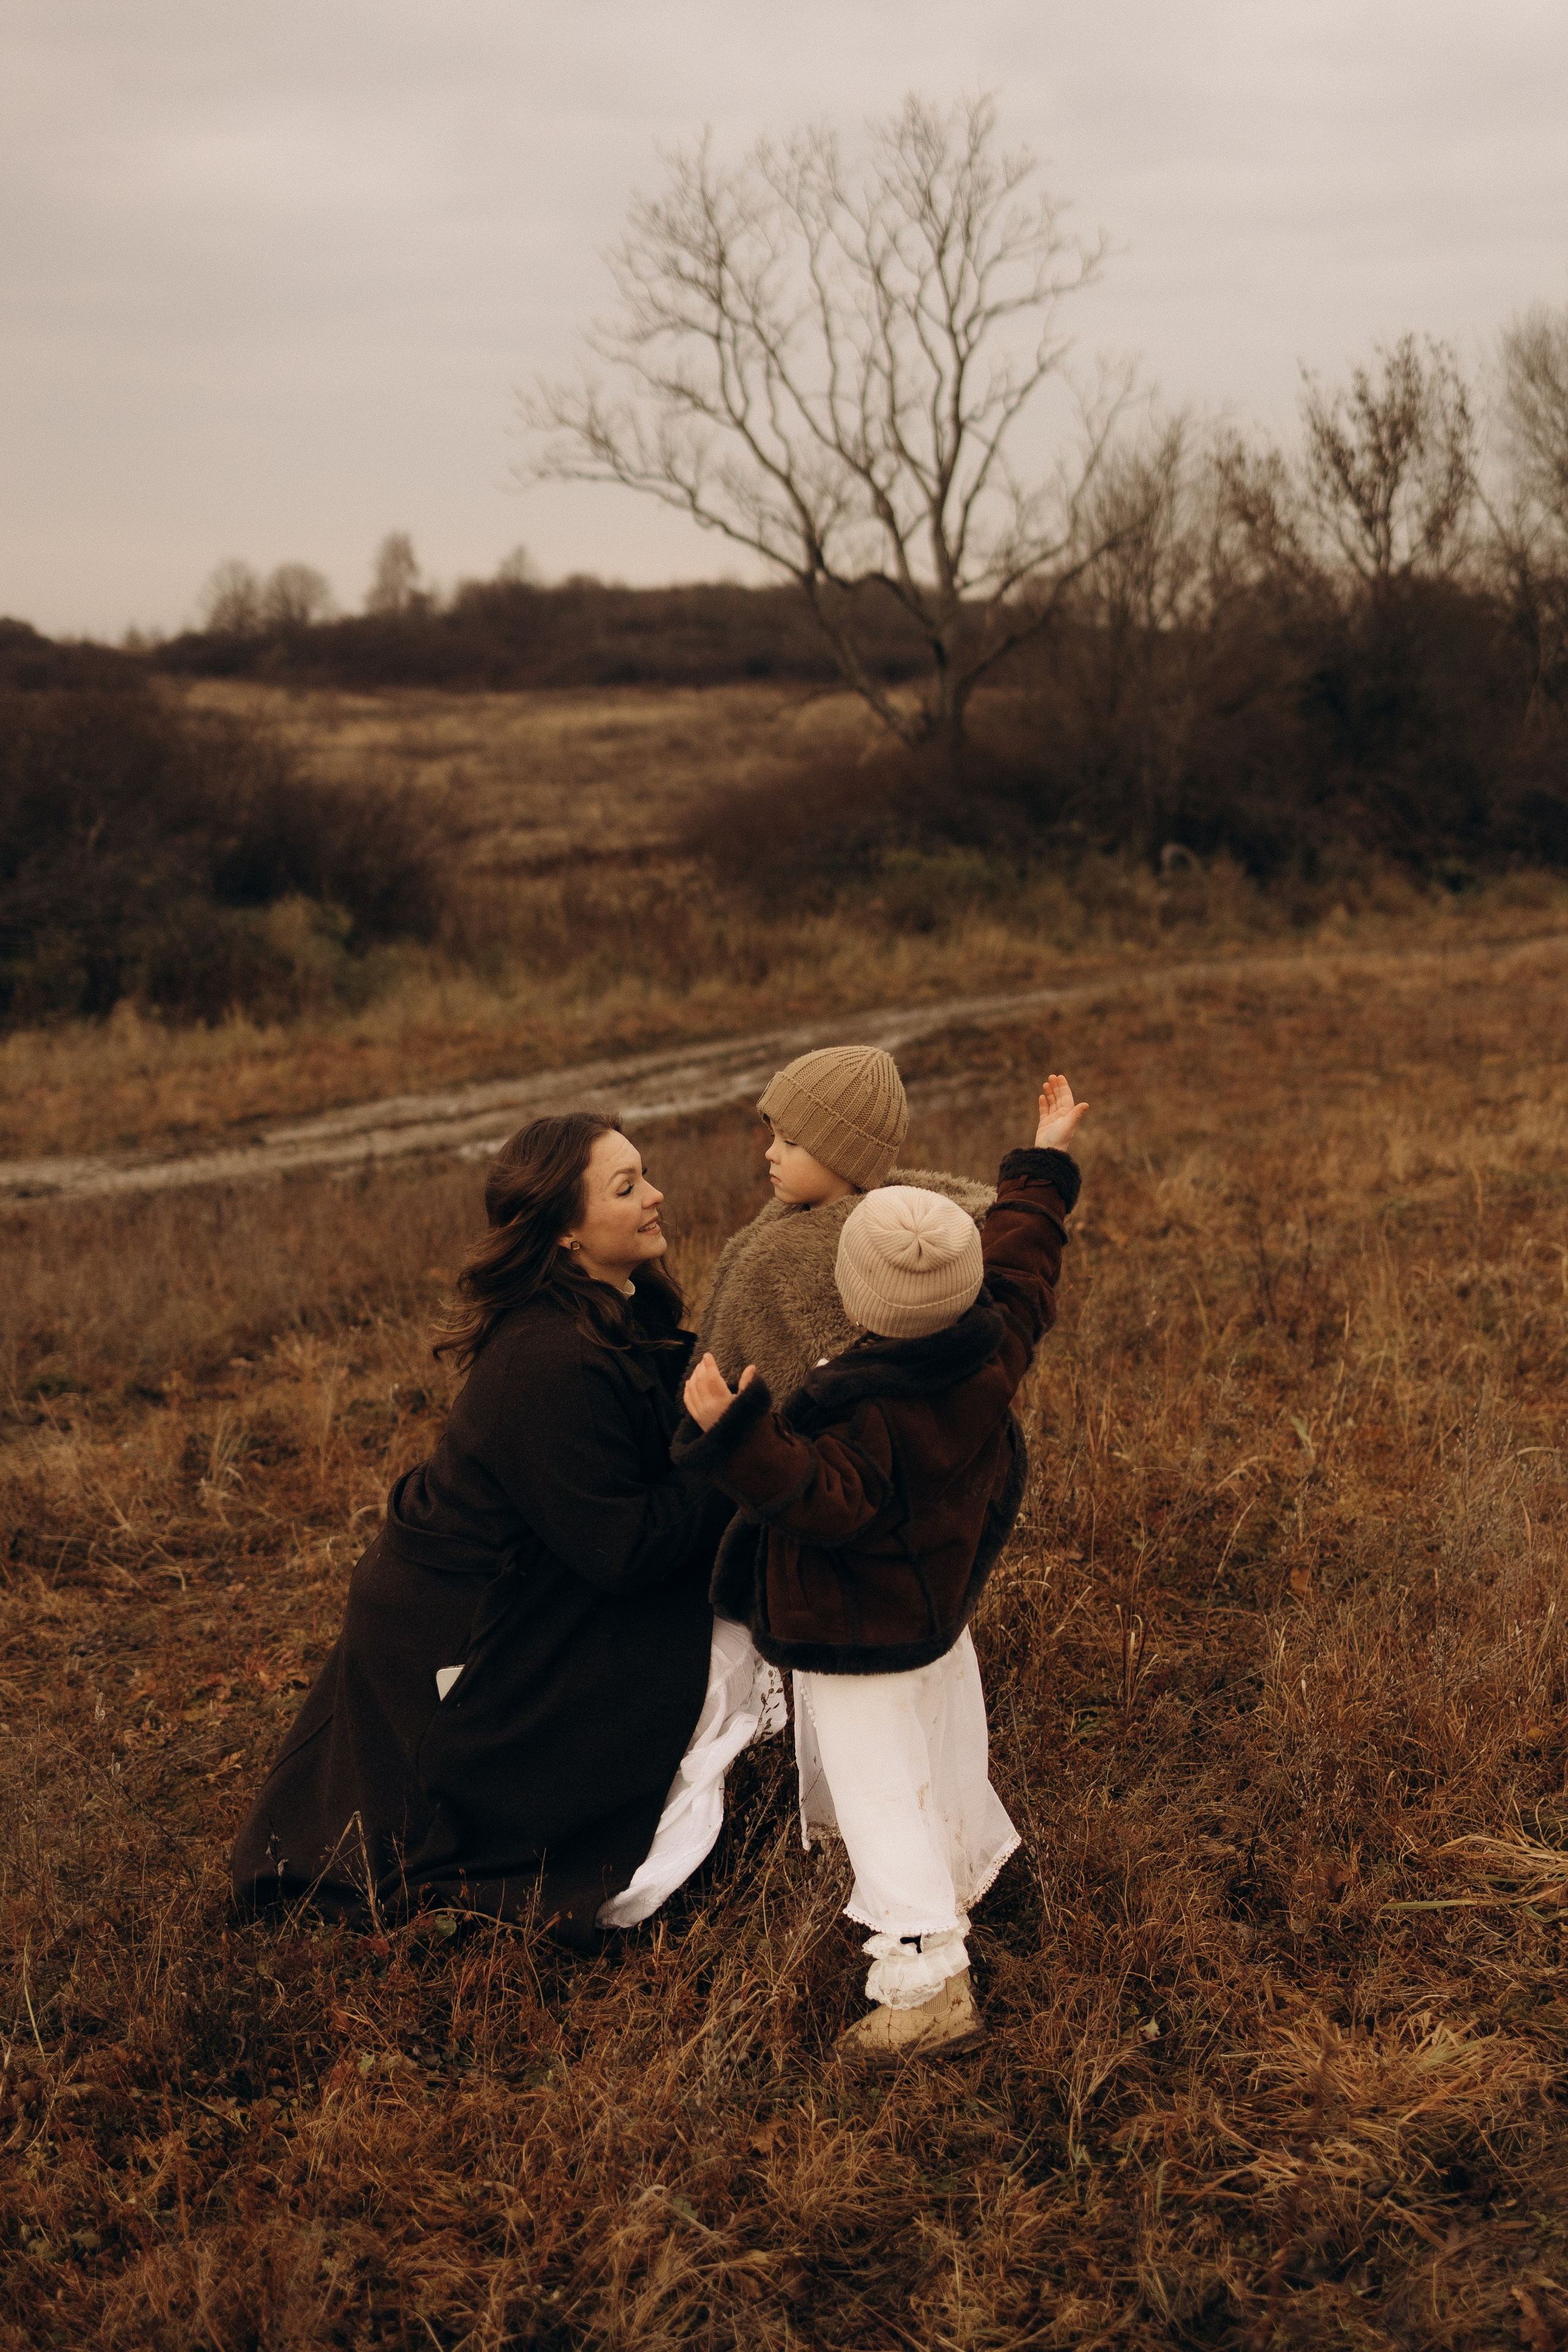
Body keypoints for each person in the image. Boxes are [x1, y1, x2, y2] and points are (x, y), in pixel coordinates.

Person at [231, 1111, 782, 1948]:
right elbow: (625, 1550)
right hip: (465, 1632)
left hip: (538, 1583)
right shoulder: (545, 1358)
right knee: (702, 1668)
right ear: (565, 1230)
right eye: (626, 1186)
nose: (656, 1195)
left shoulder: (619, 1310)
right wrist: (728, 1458)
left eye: (646, 1175)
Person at [675, 1071, 1086, 2060]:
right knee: (944, 1752)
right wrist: (1048, 1157)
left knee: (880, 1787)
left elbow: (823, 1499)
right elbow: (1025, 1250)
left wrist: (734, 1435)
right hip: (935, 1607)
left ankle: (923, 1973)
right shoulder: (992, 1342)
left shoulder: (861, 1407)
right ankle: (990, 1877)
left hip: (857, 1628)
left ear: (853, 1297)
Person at [698, 1042, 993, 1402]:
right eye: (773, 1135)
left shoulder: (863, 1256)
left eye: (790, 1142)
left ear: (845, 1160)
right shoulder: (783, 1221)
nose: (770, 1152)